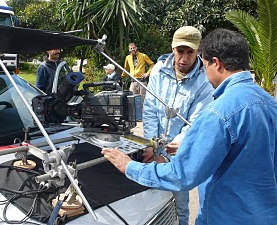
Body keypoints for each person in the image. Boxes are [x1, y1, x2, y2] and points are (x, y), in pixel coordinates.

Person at [102, 28, 277, 224]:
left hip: (226, 216)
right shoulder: (271, 104)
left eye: (202, 60)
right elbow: (150, 108)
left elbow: (184, 174)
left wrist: (129, 167)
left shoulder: (219, 112)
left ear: (215, 63)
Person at [141, 26, 214, 225]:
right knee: (152, 199)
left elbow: (194, 121)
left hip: (179, 152)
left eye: (190, 52)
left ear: (198, 51)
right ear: (173, 49)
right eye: (180, 51)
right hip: (153, 148)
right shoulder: (158, 70)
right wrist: (150, 144)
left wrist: (173, 149)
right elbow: (150, 109)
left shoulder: (204, 79)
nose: (184, 58)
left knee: (180, 202)